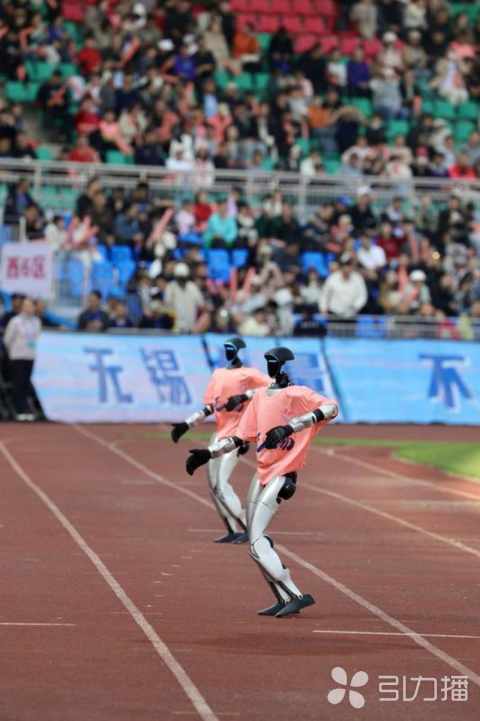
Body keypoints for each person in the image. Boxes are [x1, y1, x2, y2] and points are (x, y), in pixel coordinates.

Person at [185, 347, 338, 618]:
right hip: (263, 472)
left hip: (283, 474)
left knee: (256, 541)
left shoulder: (296, 394)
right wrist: (208, 453)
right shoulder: (259, 397)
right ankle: (282, 598)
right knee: (255, 543)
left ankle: (296, 595)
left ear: (283, 364)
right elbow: (240, 437)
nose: (269, 365)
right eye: (267, 361)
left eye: (273, 361)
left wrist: (291, 426)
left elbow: (331, 408)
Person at [171, 337, 269, 543]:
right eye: (226, 348)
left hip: (237, 434)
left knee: (222, 485)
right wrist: (186, 424)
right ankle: (232, 529)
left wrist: (244, 396)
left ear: (240, 350)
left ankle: (249, 528)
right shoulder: (218, 374)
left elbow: (272, 387)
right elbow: (211, 406)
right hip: (220, 433)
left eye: (232, 348)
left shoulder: (249, 373)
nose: (228, 351)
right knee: (213, 485)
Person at [3, 297, 41, 421]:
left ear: (34, 307)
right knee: (18, 383)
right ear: (22, 307)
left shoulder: (36, 321)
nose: (29, 308)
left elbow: (37, 338)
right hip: (17, 356)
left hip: (31, 356)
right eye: (26, 305)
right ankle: (19, 409)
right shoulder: (15, 321)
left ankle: (26, 408)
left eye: (31, 306)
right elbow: (7, 339)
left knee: (26, 383)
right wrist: (13, 352)